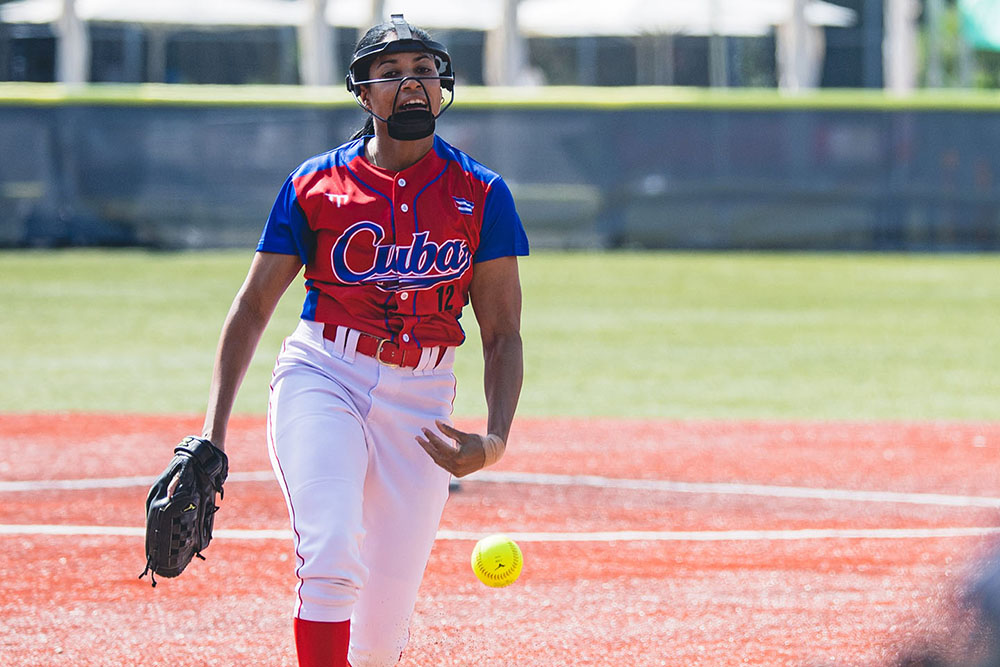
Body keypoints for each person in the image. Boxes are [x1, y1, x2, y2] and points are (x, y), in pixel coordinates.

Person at [195, 13, 528, 667]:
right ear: (362, 91)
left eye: (425, 70)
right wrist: (212, 431)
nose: (412, 83)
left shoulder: (483, 193)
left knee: (379, 638)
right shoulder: (316, 184)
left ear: (444, 86)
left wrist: (493, 438)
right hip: (326, 374)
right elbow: (253, 305)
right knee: (330, 549)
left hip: (424, 400)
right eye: (392, 72)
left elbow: (502, 331)